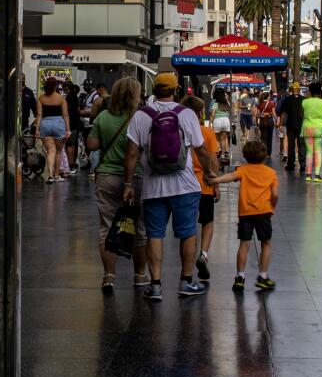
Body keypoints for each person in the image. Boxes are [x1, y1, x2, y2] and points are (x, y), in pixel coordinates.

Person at [122, 72, 216, 300]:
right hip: (185, 186)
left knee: (154, 234)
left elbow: (132, 153)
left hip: (153, 187)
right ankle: (186, 282)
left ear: (154, 89)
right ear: (175, 90)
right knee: (187, 234)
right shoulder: (186, 114)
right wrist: (210, 174)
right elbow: (201, 150)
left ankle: (155, 285)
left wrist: (128, 183)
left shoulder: (141, 116)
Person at [87, 77, 149, 292]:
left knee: (107, 227)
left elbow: (91, 144)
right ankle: (140, 275)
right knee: (140, 228)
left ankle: (109, 276)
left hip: (106, 176)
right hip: (136, 178)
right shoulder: (140, 118)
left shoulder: (103, 116)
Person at [207, 139, 279, 292]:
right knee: (266, 243)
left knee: (244, 244)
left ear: (246, 156)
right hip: (264, 211)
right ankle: (263, 276)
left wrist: (215, 180)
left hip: (245, 213)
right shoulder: (271, 173)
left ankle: (240, 277)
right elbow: (275, 194)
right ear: (264, 155)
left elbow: (230, 177)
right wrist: (272, 205)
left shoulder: (244, 170)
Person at [183, 94, 221, 283]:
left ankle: (187, 265)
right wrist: (215, 182)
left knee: (188, 224)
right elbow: (212, 159)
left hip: (184, 183)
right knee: (208, 221)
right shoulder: (207, 132)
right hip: (205, 183)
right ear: (200, 113)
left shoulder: (179, 129)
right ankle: (203, 254)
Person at [36, 77, 69, 183]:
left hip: (45, 125)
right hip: (59, 124)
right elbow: (65, 115)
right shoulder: (61, 99)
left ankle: (50, 175)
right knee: (58, 152)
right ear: (56, 86)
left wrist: (37, 129)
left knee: (50, 151)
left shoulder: (41, 98)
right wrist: (68, 129)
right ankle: (56, 175)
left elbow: (39, 115)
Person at [301, 82, 322, 182]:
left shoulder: (305, 102)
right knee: (318, 151)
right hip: (320, 128)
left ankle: (308, 175)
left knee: (309, 152)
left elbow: (301, 114)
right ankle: (317, 175)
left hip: (307, 127)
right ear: (320, 91)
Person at [277, 82, 305, 173]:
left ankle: (290, 164)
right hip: (301, 125)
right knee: (301, 145)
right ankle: (302, 165)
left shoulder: (287, 99)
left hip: (290, 125)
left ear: (292, 90)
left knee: (291, 145)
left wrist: (281, 124)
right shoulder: (303, 99)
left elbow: (284, 113)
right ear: (299, 90)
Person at [65, 82, 83, 176]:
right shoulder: (75, 97)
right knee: (74, 144)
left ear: (67, 88)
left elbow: (67, 112)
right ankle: (73, 163)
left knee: (69, 145)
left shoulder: (69, 98)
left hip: (70, 124)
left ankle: (70, 164)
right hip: (75, 124)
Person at [209, 87, 233, 161]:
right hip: (226, 121)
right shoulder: (227, 103)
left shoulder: (215, 103)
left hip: (217, 121)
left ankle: (217, 154)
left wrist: (210, 123)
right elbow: (230, 113)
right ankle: (223, 155)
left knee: (217, 139)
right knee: (223, 139)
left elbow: (212, 115)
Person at [256, 91, 277, 158]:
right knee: (270, 138)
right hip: (270, 122)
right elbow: (273, 113)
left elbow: (257, 115)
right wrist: (276, 120)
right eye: (269, 96)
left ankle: (263, 153)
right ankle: (269, 154)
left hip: (262, 123)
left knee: (263, 139)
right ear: (267, 97)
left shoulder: (260, 104)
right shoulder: (271, 103)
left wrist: (257, 121)